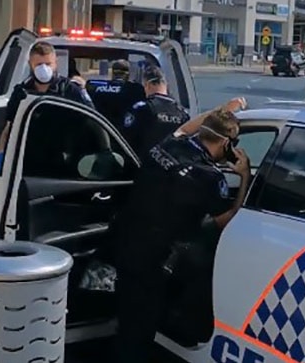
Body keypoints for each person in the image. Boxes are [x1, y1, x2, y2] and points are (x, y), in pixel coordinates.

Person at [112, 97, 250, 363]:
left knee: (127, 321)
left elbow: (187, 129)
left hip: (127, 242)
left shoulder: (169, 145)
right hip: (155, 260)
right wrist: (245, 177)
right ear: (226, 143)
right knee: (139, 333)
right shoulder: (210, 177)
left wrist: (221, 110)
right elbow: (230, 218)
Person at [0, 41, 94, 240]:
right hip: (27, 163)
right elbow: (8, 128)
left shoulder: (70, 91)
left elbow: (92, 122)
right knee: (12, 212)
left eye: (48, 63)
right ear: (30, 64)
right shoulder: (21, 92)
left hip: (63, 166)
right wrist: (0, 160)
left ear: (56, 64)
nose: (44, 69)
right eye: (39, 64)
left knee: (59, 223)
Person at [120, 65, 190, 159]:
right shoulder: (182, 113)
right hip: (171, 168)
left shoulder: (142, 109)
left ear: (147, 85)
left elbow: (125, 139)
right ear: (165, 84)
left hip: (145, 166)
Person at [86, 59, 146, 129]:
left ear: (112, 73)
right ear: (128, 74)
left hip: (100, 129)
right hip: (124, 133)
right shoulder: (135, 89)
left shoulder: (95, 88)